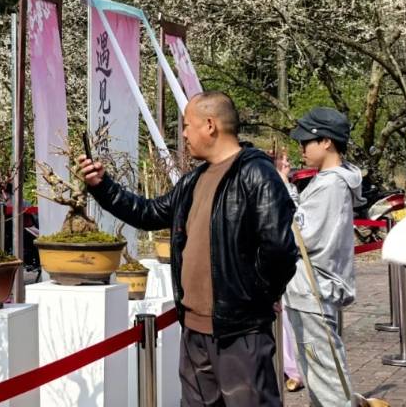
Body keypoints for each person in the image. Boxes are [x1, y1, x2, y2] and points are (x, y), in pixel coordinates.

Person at [78, 91, 297, 407]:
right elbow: (148, 213)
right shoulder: (193, 180)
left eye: (187, 125)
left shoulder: (256, 173)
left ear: (210, 125)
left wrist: (258, 297)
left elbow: (279, 249)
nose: (183, 134)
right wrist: (102, 186)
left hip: (240, 332)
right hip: (193, 330)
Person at [277, 107, 362, 407]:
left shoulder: (331, 184)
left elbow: (301, 232)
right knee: (320, 376)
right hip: (313, 291)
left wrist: (280, 193)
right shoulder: (329, 180)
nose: (302, 149)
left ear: (326, 142)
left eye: (306, 142)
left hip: (313, 292)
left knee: (327, 384)